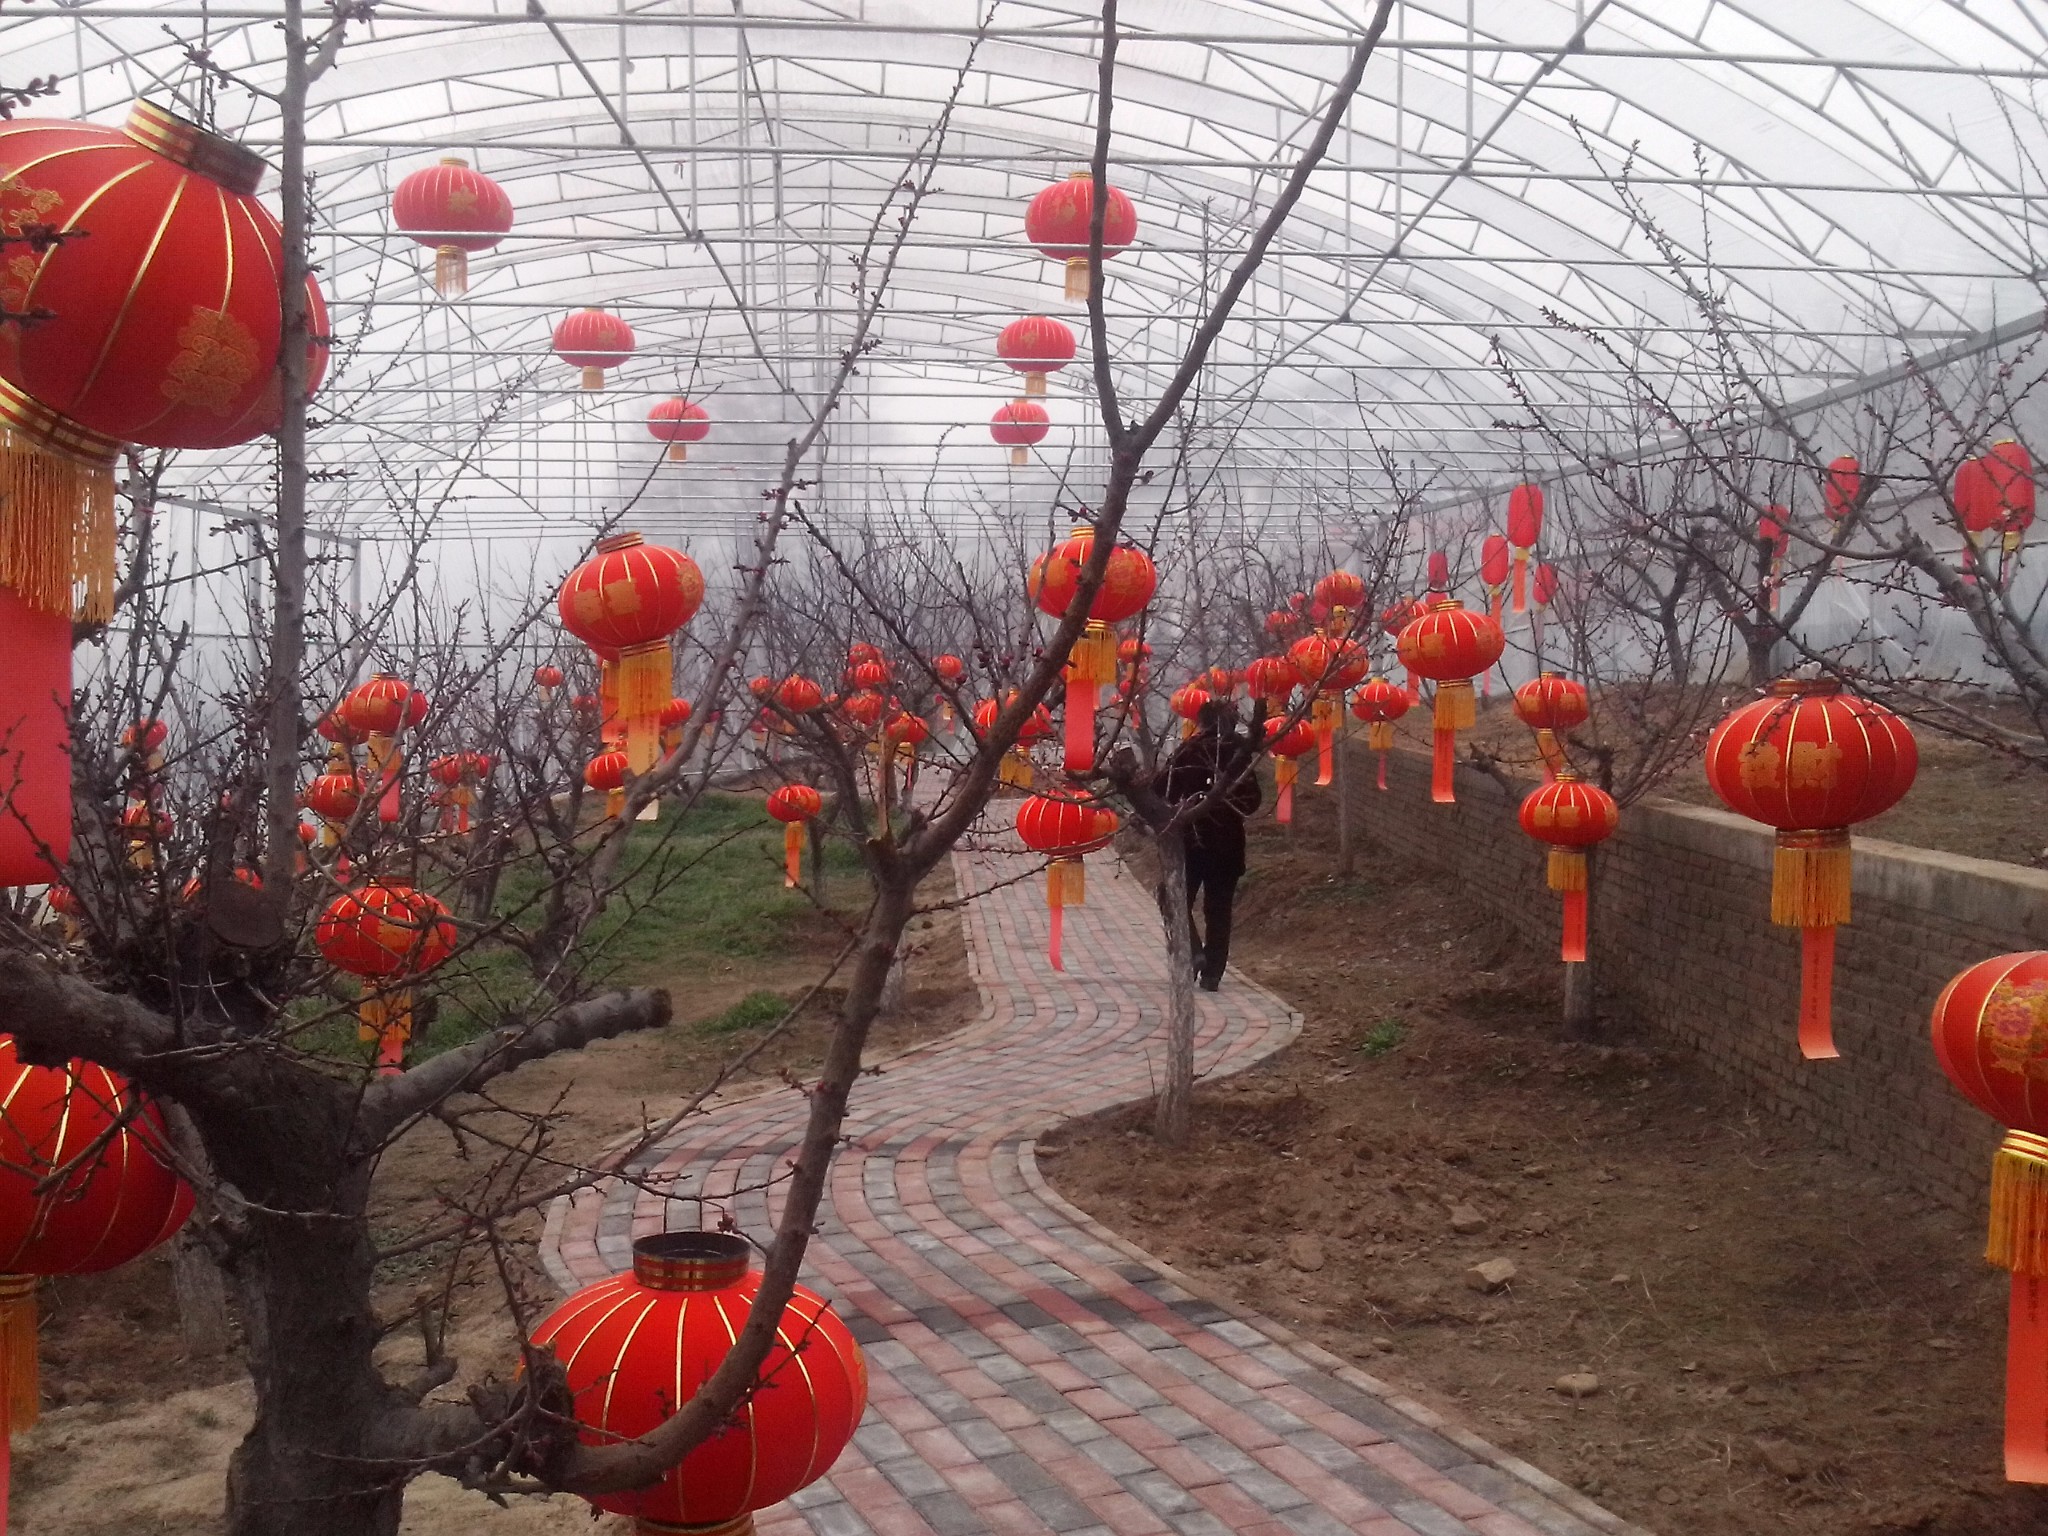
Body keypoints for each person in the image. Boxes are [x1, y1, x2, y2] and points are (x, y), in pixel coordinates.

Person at [1157, 699, 1263, 991]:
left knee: (1174, 898)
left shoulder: (1188, 750)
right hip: (1228, 844)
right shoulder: (1240, 754)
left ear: (1201, 722)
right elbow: (1253, 802)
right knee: (1219, 909)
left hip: (1191, 841)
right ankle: (1213, 973)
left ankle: (1193, 951)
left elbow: (1161, 788)